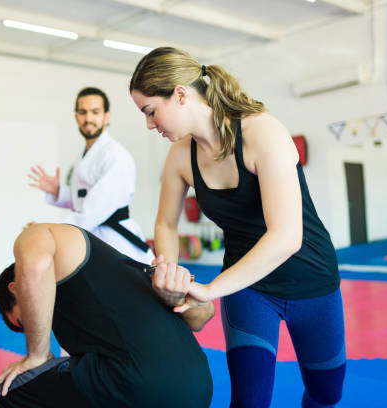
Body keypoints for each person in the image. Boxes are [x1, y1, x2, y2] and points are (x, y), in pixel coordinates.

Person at [130, 47, 346, 408]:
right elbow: (166, 223)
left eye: (151, 111)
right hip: (248, 288)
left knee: (327, 395)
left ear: (180, 94)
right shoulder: (181, 156)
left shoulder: (263, 132)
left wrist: (211, 289)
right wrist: (168, 274)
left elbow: (286, 237)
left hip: (312, 280)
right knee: (249, 401)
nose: (150, 124)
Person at [0, 223, 214, 408]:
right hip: (200, 387)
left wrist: (36, 356)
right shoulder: (110, 277)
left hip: (141, 385)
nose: (36, 324)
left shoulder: (39, 236)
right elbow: (205, 313)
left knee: (2, 394)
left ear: (16, 288)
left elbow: (35, 267)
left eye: (22, 321)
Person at [28, 87, 153, 264]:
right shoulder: (84, 155)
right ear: (76, 117)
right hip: (93, 235)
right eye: (82, 112)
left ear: (106, 116)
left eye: (95, 112)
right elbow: (84, 198)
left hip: (115, 238)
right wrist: (59, 191)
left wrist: (49, 231)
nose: (88, 119)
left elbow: (94, 209)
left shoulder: (115, 155)